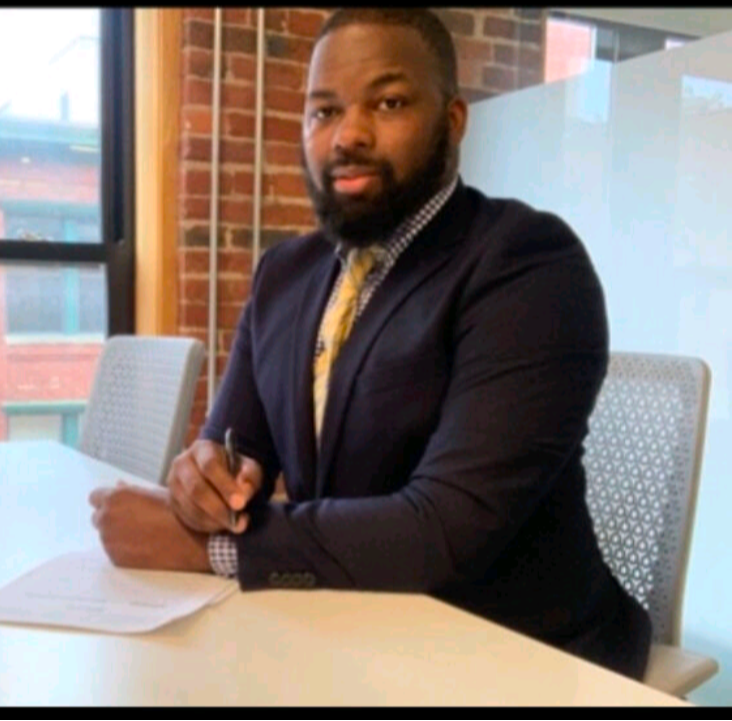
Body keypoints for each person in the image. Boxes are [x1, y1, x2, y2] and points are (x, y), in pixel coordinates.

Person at [88, 8, 651, 680]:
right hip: (347, 625)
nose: (348, 135)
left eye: (388, 103)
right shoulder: (284, 274)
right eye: (323, 111)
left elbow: (443, 530)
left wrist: (206, 549)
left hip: (520, 652)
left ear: (453, 120)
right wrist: (201, 480)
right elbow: (235, 449)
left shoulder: (527, 264)